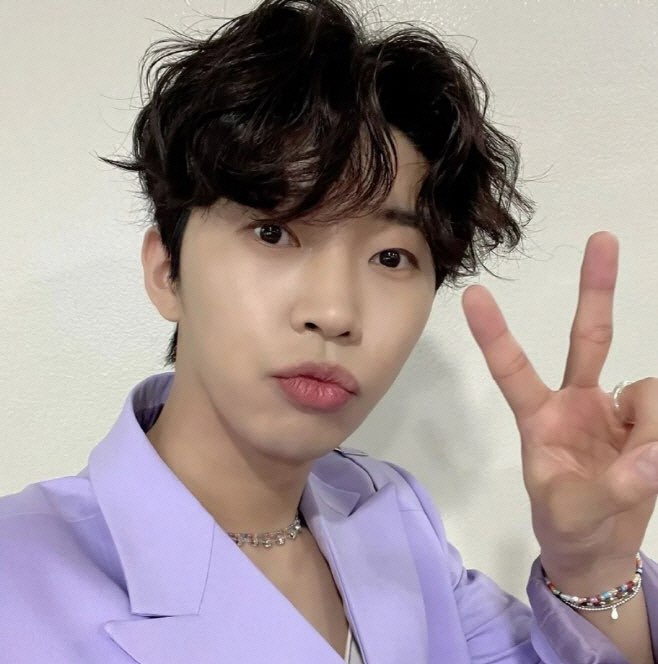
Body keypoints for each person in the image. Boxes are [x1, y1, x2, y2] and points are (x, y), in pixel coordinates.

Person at [1, 0, 657, 662]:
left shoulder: (391, 519)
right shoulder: (22, 578)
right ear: (167, 270)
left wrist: (592, 565)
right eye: (273, 232)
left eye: (391, 258)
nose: (336, 312)